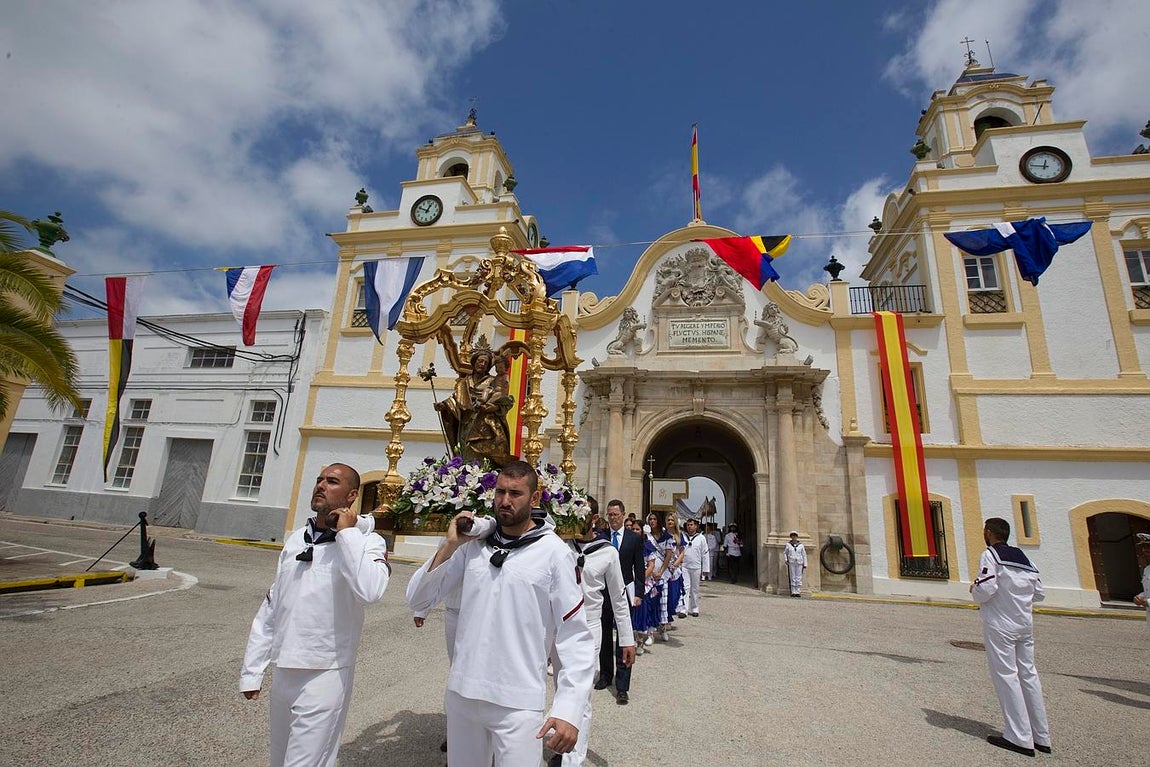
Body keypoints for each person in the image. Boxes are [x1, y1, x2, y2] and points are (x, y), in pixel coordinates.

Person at [406, 460, 595, 767]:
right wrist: (449, 545)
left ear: (534, 499)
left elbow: (575, 636)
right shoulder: (472, 547)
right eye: (501, 492)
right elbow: (418, 597)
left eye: (516, 494)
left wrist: (568, 709)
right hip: (463, 694)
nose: (505, 501)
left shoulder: (555, 553)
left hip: (517, 702)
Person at [241, 463, 390, 767]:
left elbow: (370, 591)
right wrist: (252, 670)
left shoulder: (368, 542)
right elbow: (273, 604)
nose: (321, 485)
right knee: (279, 760)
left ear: (351, 495)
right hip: (284, 668)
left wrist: (347, 534)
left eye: (331, 481)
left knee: (306, 762)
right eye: (319, 479)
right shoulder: (297, 539)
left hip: (325, 672)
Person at [553, 501, 636, 766]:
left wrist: (627, 640)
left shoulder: (607, 553)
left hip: (589, 627)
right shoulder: (560, 547)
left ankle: (572, 759)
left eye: (581, 513)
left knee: (581, 694)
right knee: (560, 691)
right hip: (559, 626)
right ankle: (561, 744)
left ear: (594, 518)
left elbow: (619, 599)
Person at [970, 517, 1052, 757]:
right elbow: (1039, 593)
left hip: (1001, 624)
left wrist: (974, 589)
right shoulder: (1025, 558)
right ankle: (1041, 736)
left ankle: (1018, 736)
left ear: (988, 532)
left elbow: (986, 589)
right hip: (1024, 625)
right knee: (1028, 675)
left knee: (1007, 676)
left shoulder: (991, 555)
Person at [434, 336, 513, 465]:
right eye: (480, 361)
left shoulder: (492, 381)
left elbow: (503, 400)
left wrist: (493, 407)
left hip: (484, 424)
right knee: (466, 454)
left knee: (483, 457)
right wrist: (444, 405)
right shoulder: (464, 382)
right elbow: (455, 399)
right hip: (466, 423)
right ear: (474, 362)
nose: (482, 364)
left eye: (485, 363)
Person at [597, 499, 645, 701]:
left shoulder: (633, 540)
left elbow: (639, 568)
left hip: (625, 591)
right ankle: (606, 675)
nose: (613, 518)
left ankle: (622, 685)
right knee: (604, 636)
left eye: (616, 514)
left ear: (623, 515)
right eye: (609, 515)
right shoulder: (601, 537)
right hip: (604, 593)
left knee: (624, 638)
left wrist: (639, 593)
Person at [681, 518, 708, 615]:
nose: (689, 527)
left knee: (695, 588)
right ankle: (684, 609)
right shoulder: (683, 536)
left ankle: (695, 608)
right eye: (688, 525)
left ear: (696, 526)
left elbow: (705, 554)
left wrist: (705, 569)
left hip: (696, 566)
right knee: (685, 587)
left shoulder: (701, 538)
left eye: (691, 525)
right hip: (685, 566)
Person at [664, 513, 687, 618]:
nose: (670, 522)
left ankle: (670, 614)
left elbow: (682, 552)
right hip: (664, 566)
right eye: (668, 520)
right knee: (664, 595)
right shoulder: (663, 534)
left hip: (674, 568)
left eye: (672, 520)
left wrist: (675, 564)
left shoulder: (679, 535)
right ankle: (665, 619)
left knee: (673, 594)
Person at [1133, 532, 1150, 630]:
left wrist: (1147, 601)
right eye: (1143, 547)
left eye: (1148, 547)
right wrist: (1140, 596)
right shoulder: (1147, 569)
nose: (1145, 550)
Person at [784, 530, 807, 597]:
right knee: (792, 576)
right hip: (792, 562)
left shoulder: (801, 545)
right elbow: (785, 553)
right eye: (792, 536)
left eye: (795, 536)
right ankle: (793, 591)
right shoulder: (788, 545)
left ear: (797, 537)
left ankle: (798, 591)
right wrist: (786, 560)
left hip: (799, 562)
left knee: (798, 577)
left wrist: (805, 564)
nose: (794, 537)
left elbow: (804, 554)